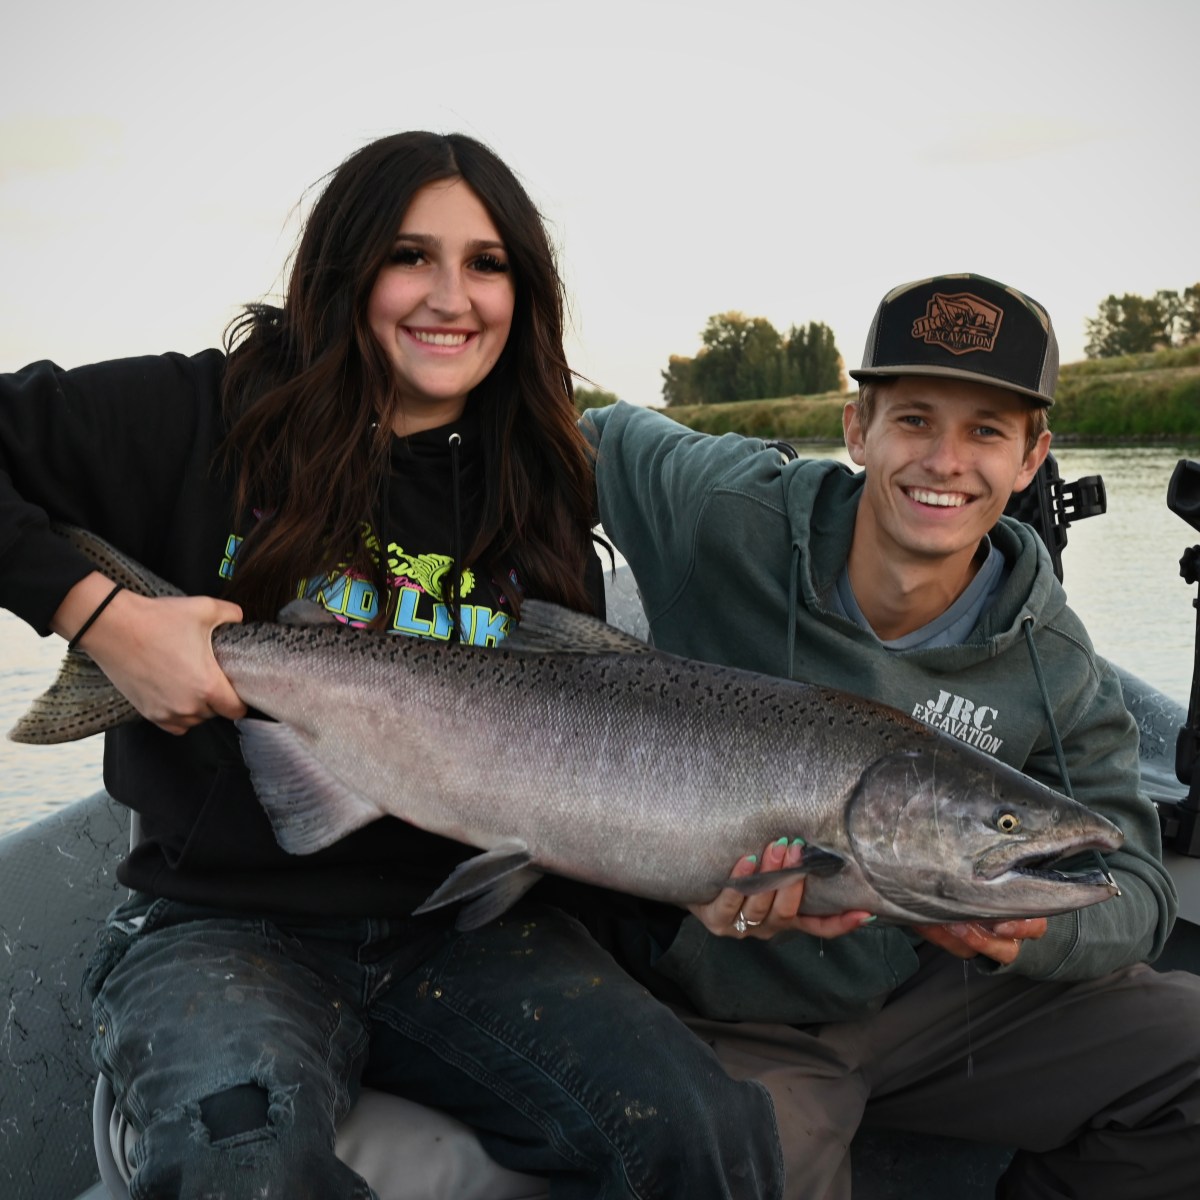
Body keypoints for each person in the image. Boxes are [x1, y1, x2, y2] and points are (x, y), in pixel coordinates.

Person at [0, 132, 783, 1200]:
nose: (451, 297)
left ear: (525, 293)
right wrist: (100, 617)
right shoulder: (199, 415)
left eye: (488, 263)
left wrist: (706, 888)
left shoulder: (545, 488)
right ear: (346, 268)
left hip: (471, 933)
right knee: (246, 1160)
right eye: (411, 256)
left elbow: (567, 806)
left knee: (707, 1132)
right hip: (222, 925)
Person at [582, 272, 1200, 1200]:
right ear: (855, 429)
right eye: (914, 419)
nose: (945, 460)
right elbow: (582, 435)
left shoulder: (1056, 655)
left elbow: (1140, 884)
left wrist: (1010, 935)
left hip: (947, 1002)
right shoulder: (727, 509)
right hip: (736, 1019)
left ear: (1033, 457)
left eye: (987, 430)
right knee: (740, 1168)